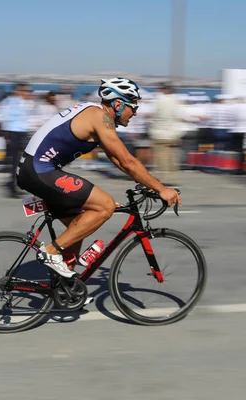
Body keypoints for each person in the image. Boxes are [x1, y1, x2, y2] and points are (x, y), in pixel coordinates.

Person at [16, 78, 181, 278]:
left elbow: (119, 161)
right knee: (105, 206)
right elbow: (128, 162)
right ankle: (49, 252)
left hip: (35, 170)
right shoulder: (99, 117)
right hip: (39, 170)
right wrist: (161, 188)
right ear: (118, 104)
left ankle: (65, 288)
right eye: (133, 106)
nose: (136, 112)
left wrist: (148, 185)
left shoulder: (94, 113)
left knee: (78, 228)